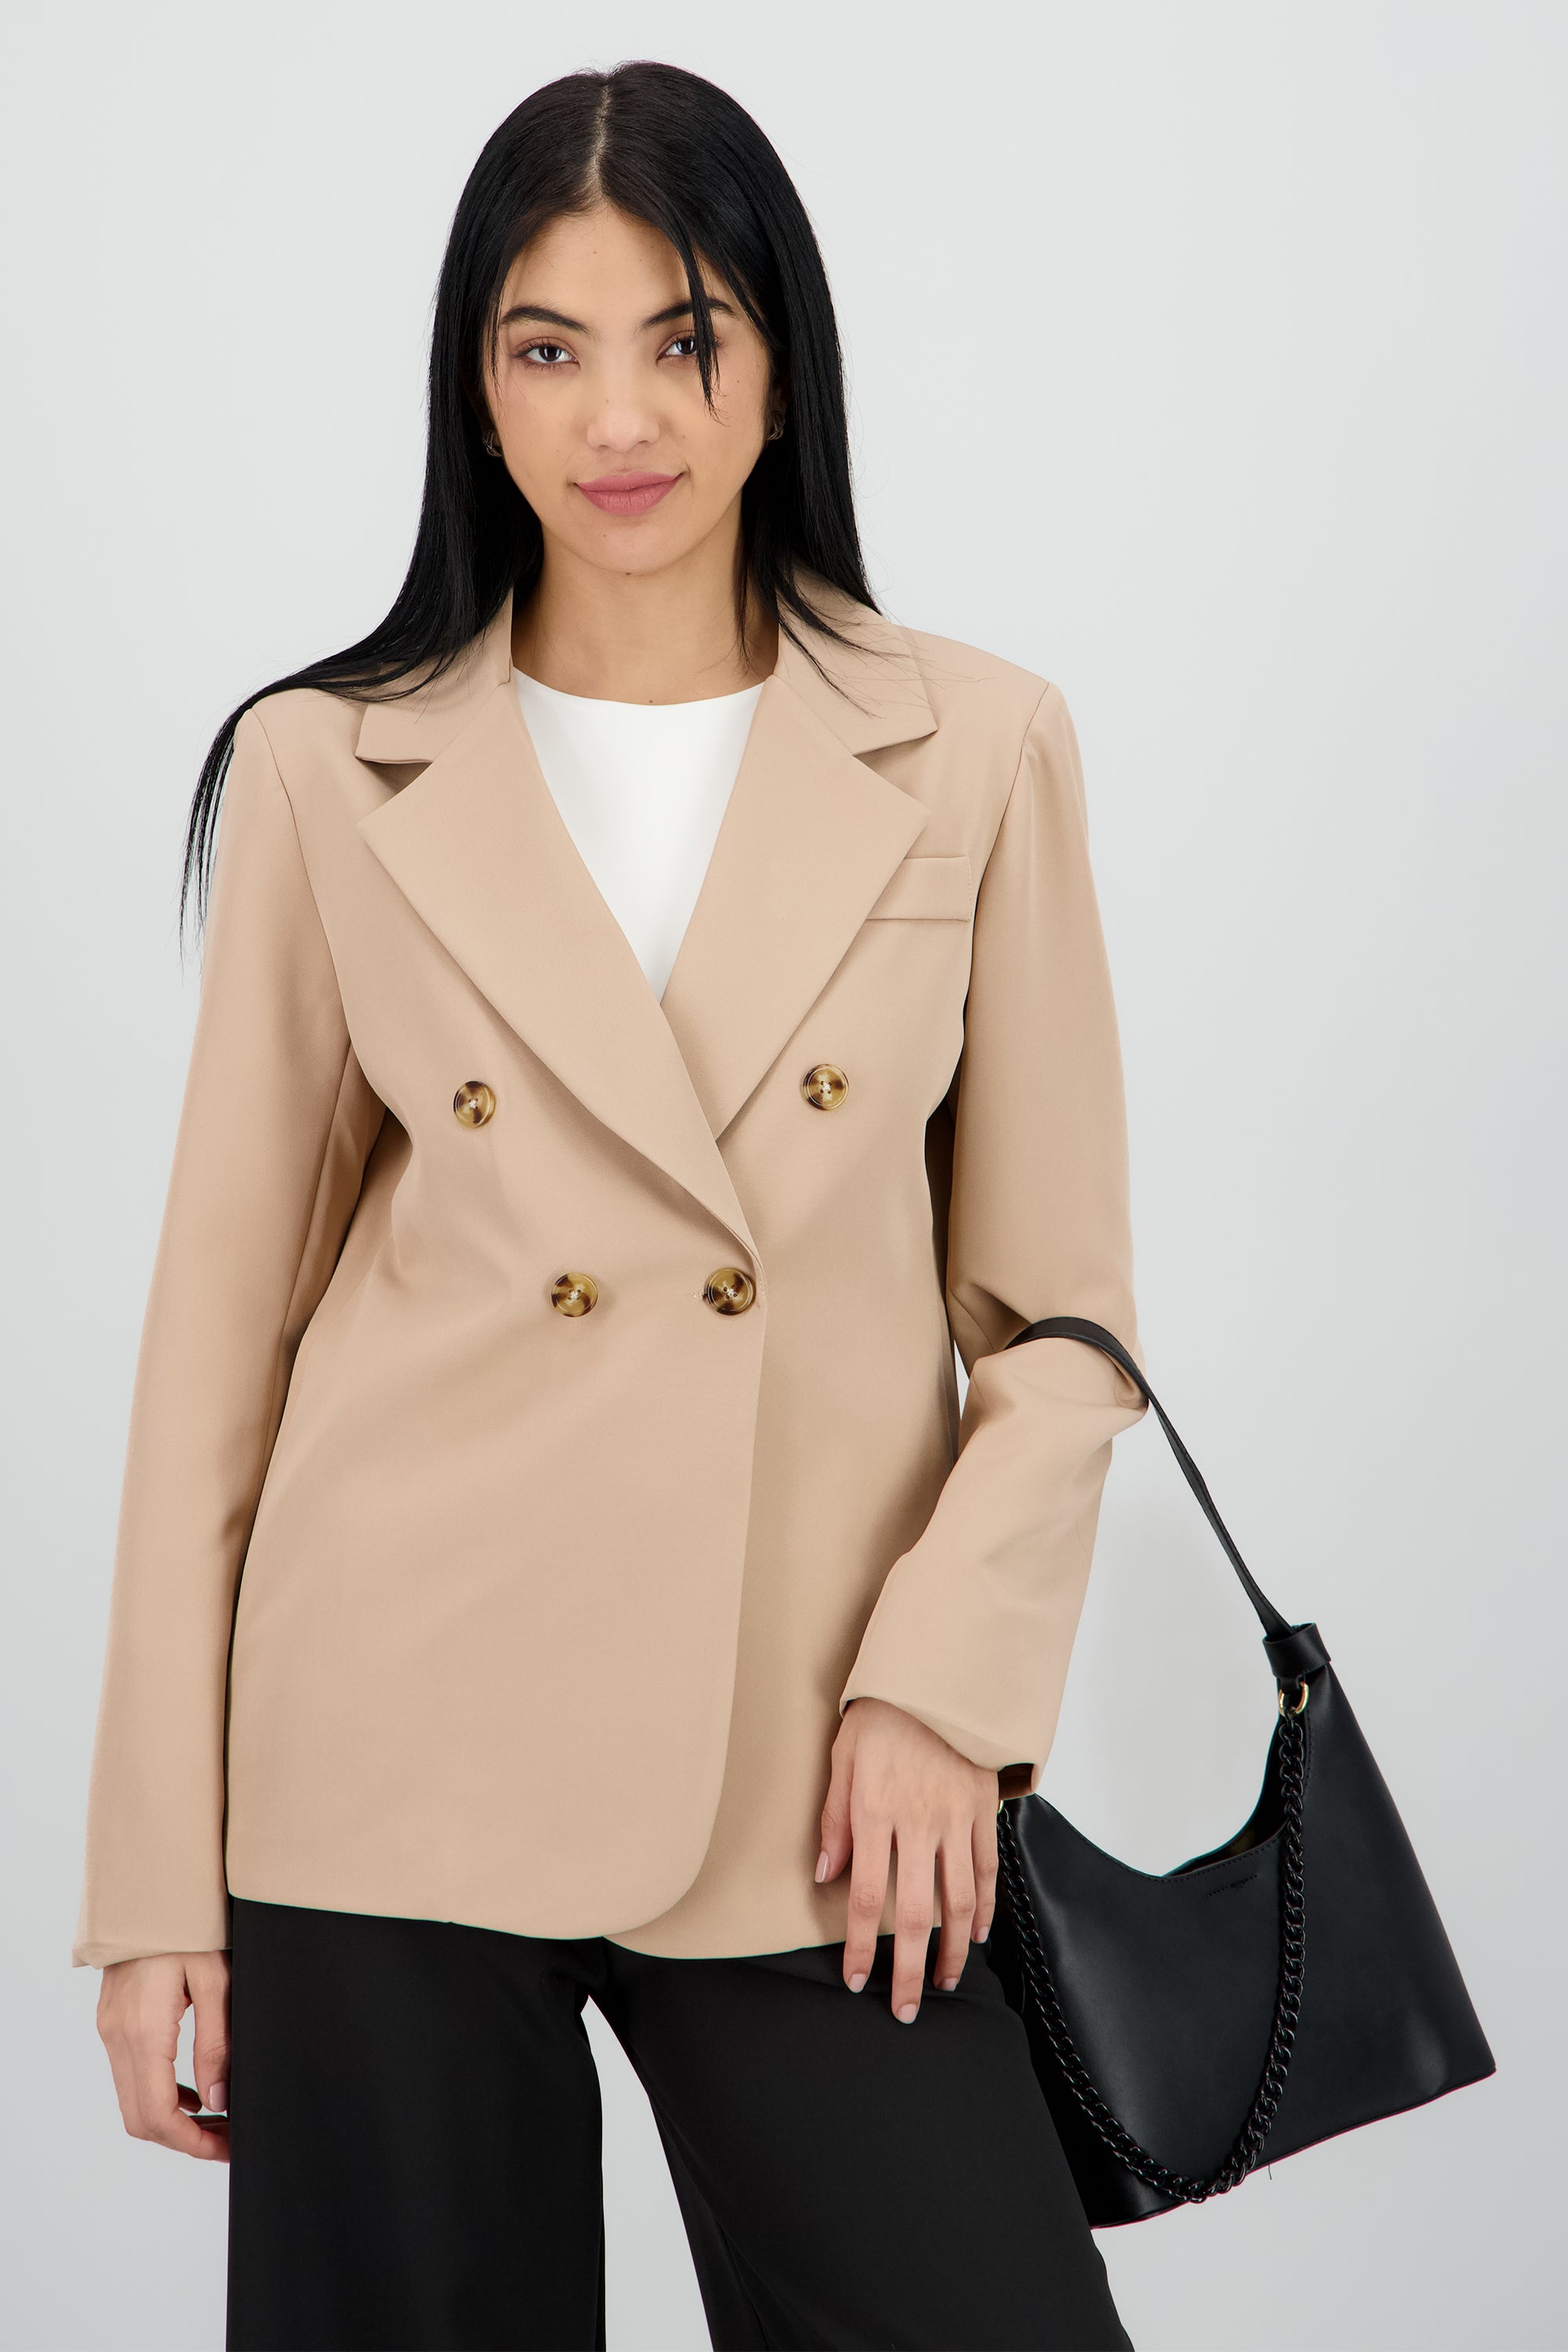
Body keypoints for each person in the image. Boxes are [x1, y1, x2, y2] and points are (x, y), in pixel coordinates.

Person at [75, 59, 1148, 2352]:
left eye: (682, 337)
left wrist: (946, 1691)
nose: (621, 417)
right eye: (545, 348)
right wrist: (157, 1883)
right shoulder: (328, 765)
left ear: (781, 364)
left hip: (822, 1770)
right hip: (387, 1756)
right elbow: (214, 1353)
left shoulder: (974, 747)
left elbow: (1060, 1324)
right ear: (476, 390)